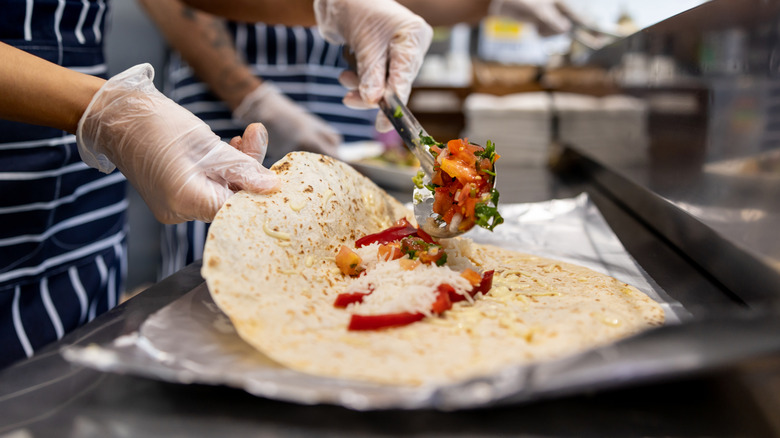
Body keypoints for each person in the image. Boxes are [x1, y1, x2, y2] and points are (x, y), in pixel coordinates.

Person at [0, 0, 434, 368]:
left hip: (82, 193)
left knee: (70, 389)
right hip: (65, 132)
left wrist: (329, 5)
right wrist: (103, 111)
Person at [142, 0, 572, 277]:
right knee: (218, 254)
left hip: (340, 99)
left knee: (338, 258)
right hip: (224, 97)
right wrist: (251, 95)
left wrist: (487, 2)